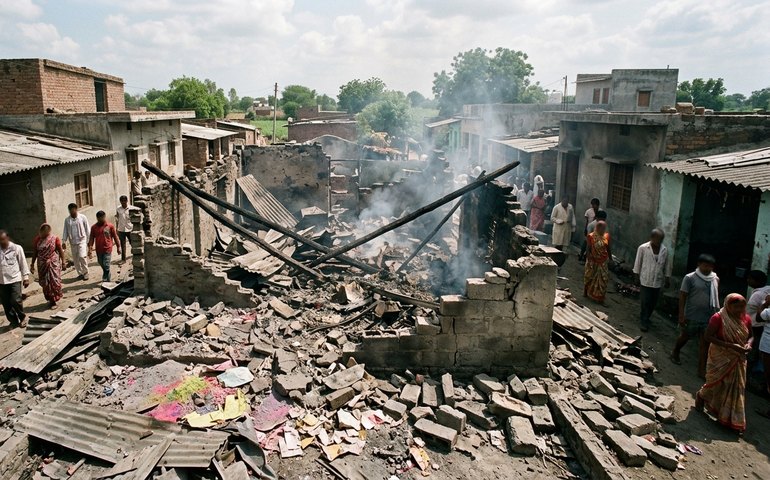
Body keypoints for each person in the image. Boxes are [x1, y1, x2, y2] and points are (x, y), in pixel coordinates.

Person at [694, 293, 752, 433]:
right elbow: (708, 336)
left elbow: (751, 336)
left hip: (738, 358)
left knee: (734, 388)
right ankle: (701, 396)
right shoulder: (718, 318)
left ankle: (728, 418)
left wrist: (749, 345)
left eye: (742, 307)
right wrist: (731, 346)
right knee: (716, 383)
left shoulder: (746, 319)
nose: (739, 310)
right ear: (728, 305)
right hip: (719, 357)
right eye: (736, 307)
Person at [672, 254, 720, 377]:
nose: (708, 268)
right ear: (699, 264)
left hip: (708, 317)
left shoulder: (715, 279)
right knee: (685, 337)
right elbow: (683, 296)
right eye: (705, 265)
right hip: (692, 315)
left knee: (705, 344)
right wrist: (681, 315)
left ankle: (701, 370)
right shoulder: (690, 278)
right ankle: (676, 351)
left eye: (710, 266)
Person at [633, 229, 672, 332]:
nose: (659, 241)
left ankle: (647, 317)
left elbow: (667, 265)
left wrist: (667, 278)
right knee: (645, 301)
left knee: (653, 302)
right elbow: (638, 263)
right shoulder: (643, 248)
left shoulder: (664, 250)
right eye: (658, 239)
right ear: (652, 238)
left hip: (657, 281)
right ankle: (644, 321)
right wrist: (636, 276)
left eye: (661, 239)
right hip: (645, 279)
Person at [0, 230, 30, 327]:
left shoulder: (17, 248)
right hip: (2, 281)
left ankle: (22, 317)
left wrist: (26, 277)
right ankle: (13, 321)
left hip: (14, 279)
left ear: (7, 238)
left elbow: (23, 263)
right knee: (6, 303)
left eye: (3, 240)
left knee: (15, 300)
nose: (2, 242)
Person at [30, 224, 64, 308]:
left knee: (55, 281)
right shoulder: (37, 240)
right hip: (42, 264)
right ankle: (51, 300)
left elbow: (60, 250)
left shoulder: (54, 238)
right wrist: (32, 264)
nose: (43, 236)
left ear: (48, 232)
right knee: (46, 284)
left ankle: (54, 299)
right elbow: (35, 253)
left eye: (45, 234)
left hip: (53, 263)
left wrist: (63, 262)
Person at [746, 270, 770, 370]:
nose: (748, 280)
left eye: (750, 279)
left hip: (755, 324)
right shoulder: (768, 289)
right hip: (762, 324)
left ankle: (749, 365)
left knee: (752, 344)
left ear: (757, 281)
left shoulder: (756, 295)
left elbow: (750, 312)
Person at [88, 211, 121, 282]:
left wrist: (118, 247)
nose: (101, 219)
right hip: (99, 249)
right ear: (97, 218)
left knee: (106, 264)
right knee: (101, 263)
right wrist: (90, 249)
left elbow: (115, 237)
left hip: (108, 248)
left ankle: (106, 278)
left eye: (102, 218)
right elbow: (91, 238)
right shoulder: (94, 227)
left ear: (104, 217)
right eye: (99, 218)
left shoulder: (110, 226)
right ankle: (107, 275)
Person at [584, 221, 611, 304]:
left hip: (603, 261)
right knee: (589, 276)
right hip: (593, 260)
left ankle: (599, 298)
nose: (604, 230)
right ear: (598, 228)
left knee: (603, 279)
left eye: (604, 228)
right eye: (602, 228)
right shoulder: (591, 236)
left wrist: (611, 259)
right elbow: (588, 248)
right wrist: (589, 259)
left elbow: (608, 248)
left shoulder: (606, 236)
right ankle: (586, 292)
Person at [62, 203, 90, 280]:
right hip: (73, 242)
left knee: (82, 256)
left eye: (73, 210)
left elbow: (87, 229)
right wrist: (64, 241)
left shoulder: (82, 217)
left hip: (82, 240)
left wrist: (89, 241)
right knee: (76, 259)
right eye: (70, 210)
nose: (72, 212)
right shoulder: (67, 220)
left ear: (76, 209)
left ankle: (86, 272)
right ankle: (80, 273)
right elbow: (65, 231)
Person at [116, 196, 133, 263]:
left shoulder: (131, 208)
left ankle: (136, 255)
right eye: (121, 201)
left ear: (126, 201)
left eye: (124, 201)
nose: (123, 203)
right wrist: (116, 228)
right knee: (123, 245)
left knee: (132, 243)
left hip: (130, 228)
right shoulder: (118, 209)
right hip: (121, 229)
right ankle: (123, 259)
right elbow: (117, 219)